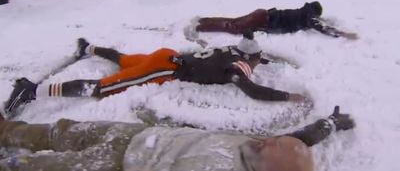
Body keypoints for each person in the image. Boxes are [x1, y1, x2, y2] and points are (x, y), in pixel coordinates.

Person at [3, 33, 309, 117]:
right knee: (103, 87)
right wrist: (289, 96)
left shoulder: (232, 50)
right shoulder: (238, 68)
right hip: (166, 68)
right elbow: (253, 91)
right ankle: (31, 91)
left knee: (124, 61)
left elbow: (251, 55)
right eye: (257, 60)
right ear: (250, 59)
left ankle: (89, 48)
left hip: (165, 55)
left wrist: (258, 58)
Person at [0, 105, 355, 171]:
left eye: (274, 146)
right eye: (276, 139)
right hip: (137, 135)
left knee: (41, 167)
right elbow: (302, 137)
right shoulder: (260, 148)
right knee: (61, 132)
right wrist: (330, 122)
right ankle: (6, 131)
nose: (269, 139)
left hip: (117, 164)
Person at [184, 1, 359, 42]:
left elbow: (319, 21)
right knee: (234, 28)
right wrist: (342, 34)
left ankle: (201, 20)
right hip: (264, 19)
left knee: (233, 21)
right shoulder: (308, 17)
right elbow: (321, 27)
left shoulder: (303, 12)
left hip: (263, 14)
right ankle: (199, 27)